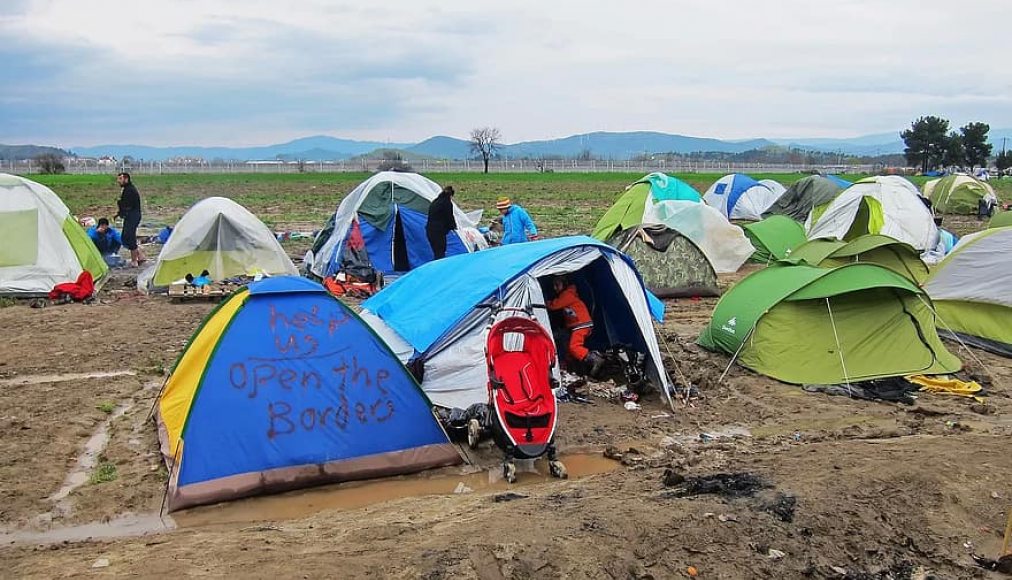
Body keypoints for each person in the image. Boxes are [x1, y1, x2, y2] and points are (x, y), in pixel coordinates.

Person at [546, 276, 605, 377]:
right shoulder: (567, 294)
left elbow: (554, 305)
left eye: (557, 285)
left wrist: (544, 302)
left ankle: (595, 359)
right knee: (569, 348)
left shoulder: (567, 294)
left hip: (581, 324)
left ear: (564, 284)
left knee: (574, 347)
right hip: (579, 325)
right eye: (554, 286)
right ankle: (578, 369)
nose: (555, 288)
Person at [115, 172, 146, 267]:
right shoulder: (126, 189)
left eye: (120, 179)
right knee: (125, 237)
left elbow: (127, 205)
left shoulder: (130, 190)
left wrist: (120, 207)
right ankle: (140, 255)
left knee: (129, 236)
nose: (118, 181)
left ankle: (134, 260)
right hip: (130, 216)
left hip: (133, 216)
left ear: (126, 179)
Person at [426, 185, 457, 259]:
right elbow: (449, 216)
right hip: (438, 231)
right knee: (440, 252)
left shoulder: (435, 201)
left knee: (436, 251)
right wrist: (454, 226)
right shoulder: (447, 203)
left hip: (429, 230)